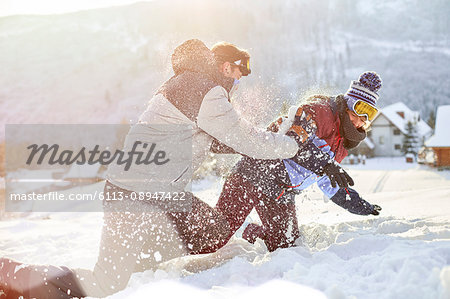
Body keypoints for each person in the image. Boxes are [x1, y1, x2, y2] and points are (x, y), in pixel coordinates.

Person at [0, 40, 301, 298]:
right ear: (225, 67)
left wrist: (268, 137)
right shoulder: (207, 90)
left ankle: (11, 274)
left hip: (124, 191)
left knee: (108, 280)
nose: (238, 81)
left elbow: (224, 140)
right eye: (238, 73)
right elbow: (243, 138)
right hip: (149, 194)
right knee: (213, 231)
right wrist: (290, 144)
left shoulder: (183, 85)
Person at [214, 72, 383, 252]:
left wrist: (360, 205)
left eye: (366, 118)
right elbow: (293, 143)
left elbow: (329, 182)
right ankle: (187, 220)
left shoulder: (341, 145)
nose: (359, 121)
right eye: (356, 113)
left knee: (286, 246)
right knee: (215, 233)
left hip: (279, 189)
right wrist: (326, 164)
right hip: (257, 172)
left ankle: (247, 231)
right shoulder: (319, 111)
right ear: (347, 105)